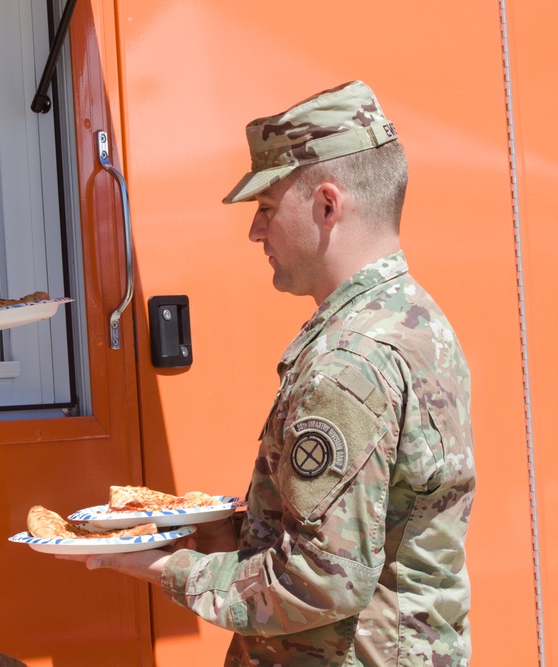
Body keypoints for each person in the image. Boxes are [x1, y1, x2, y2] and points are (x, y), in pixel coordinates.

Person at [58, 80, 476, 665]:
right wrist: (232, 538)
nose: (255, 232)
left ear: (328, 205)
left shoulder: (347, 363)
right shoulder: (411, 319)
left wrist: (161, 565)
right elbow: (384, 529)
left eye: (266, 208)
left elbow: (323, 582)